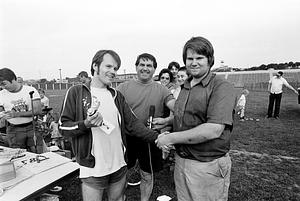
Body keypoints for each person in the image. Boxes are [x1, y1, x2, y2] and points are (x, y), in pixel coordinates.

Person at [59, 50, 159, 201]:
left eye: (116, 68)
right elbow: (63, 127)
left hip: (118, 164)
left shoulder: (117, 96)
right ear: (95, 66)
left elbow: (134, 125)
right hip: (93, 167)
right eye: (109, 66)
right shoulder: (76, 92)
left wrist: (159, 138)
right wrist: (85, 124)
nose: (113, 72)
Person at [156, 36, 236, 201]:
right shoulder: (186, 86)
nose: (194, 62)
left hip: (207, 165)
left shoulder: (221, 87)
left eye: (199, 58)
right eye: (189, 58)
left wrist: (171, 137)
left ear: (210, 60)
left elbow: (213, 129)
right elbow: (188, 116)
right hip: (182, 161)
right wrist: (167, 122)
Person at [117, 53, 175, 201]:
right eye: (142, 65)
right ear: (136, 67)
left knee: (147, 174)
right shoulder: (123, 88)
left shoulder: (162, 90)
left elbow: (178, 110)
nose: (145, 68)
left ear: (154, 69)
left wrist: (167, 120)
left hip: (151, 138)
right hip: (126, 137)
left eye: (149, 65)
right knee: (122, 173)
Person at [0, 68, 43, 153]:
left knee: (37, 153)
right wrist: (2, 114)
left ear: (13, 79)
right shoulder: (2, 94)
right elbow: (1, 110)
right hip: (13, 130)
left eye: (4, 84)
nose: (2, 87)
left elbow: (37, 111)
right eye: (0, 85)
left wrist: (16, 114)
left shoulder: (30, 90)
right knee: (18, 155)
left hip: (32, 127)